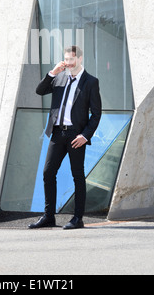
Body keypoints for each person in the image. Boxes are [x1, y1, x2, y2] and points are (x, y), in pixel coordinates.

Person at [28, 46, 102, 230]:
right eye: (66, 59)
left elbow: (97, 113)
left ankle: (78, 219)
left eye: (72, 60)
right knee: (48, 172)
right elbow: (39, 90)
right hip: (57, 133)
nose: (68, 63)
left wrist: (85, 135)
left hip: (76, 136)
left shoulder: (90, 82)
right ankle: (48, 216)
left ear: (80, 59)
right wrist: (53, 73)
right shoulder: (59, 77)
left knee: (77, 175)